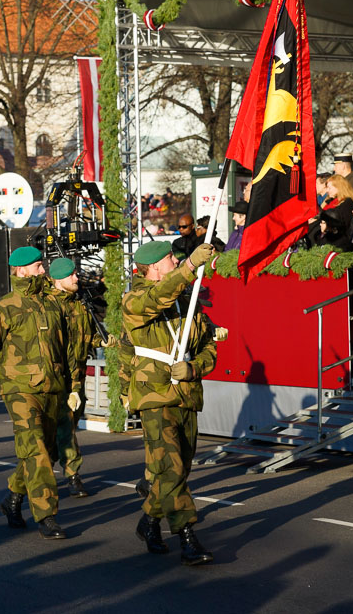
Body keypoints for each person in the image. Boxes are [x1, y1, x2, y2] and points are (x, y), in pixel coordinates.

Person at [0, 246, 77, 540]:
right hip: (19, 390)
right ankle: (46, 515)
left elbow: (66, 349)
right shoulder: (2, 308)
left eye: (42, 265)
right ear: (20, 270)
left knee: (47, 449)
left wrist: (73, 386)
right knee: (36, 449)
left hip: (53, 387)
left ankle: (13, 498)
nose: (44, 270)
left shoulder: (53, 304)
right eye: (38, 266)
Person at [122, 240, 217, 566]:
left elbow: (209, 347)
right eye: (170, 259)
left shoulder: (188, 302)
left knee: (177, 469)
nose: (175, 261)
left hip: (186, 393)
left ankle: (149, 521)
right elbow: (156, 297)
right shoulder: (135, 299)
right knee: (172, 467)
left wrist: (194, 367)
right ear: (151, 268)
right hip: (155, 395)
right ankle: (187, 537)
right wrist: (189, 267)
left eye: (176, 258)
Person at [46, 257, 93, 498]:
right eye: (71, 275)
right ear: (58, 279)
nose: (76, 278)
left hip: (78, 376)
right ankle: (72, 475)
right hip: (58, 378)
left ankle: (42, 470)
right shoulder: (48, 307)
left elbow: (85, 335)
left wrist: (102, 340)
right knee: (65, 426)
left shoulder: (78, 304)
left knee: (69, 426)